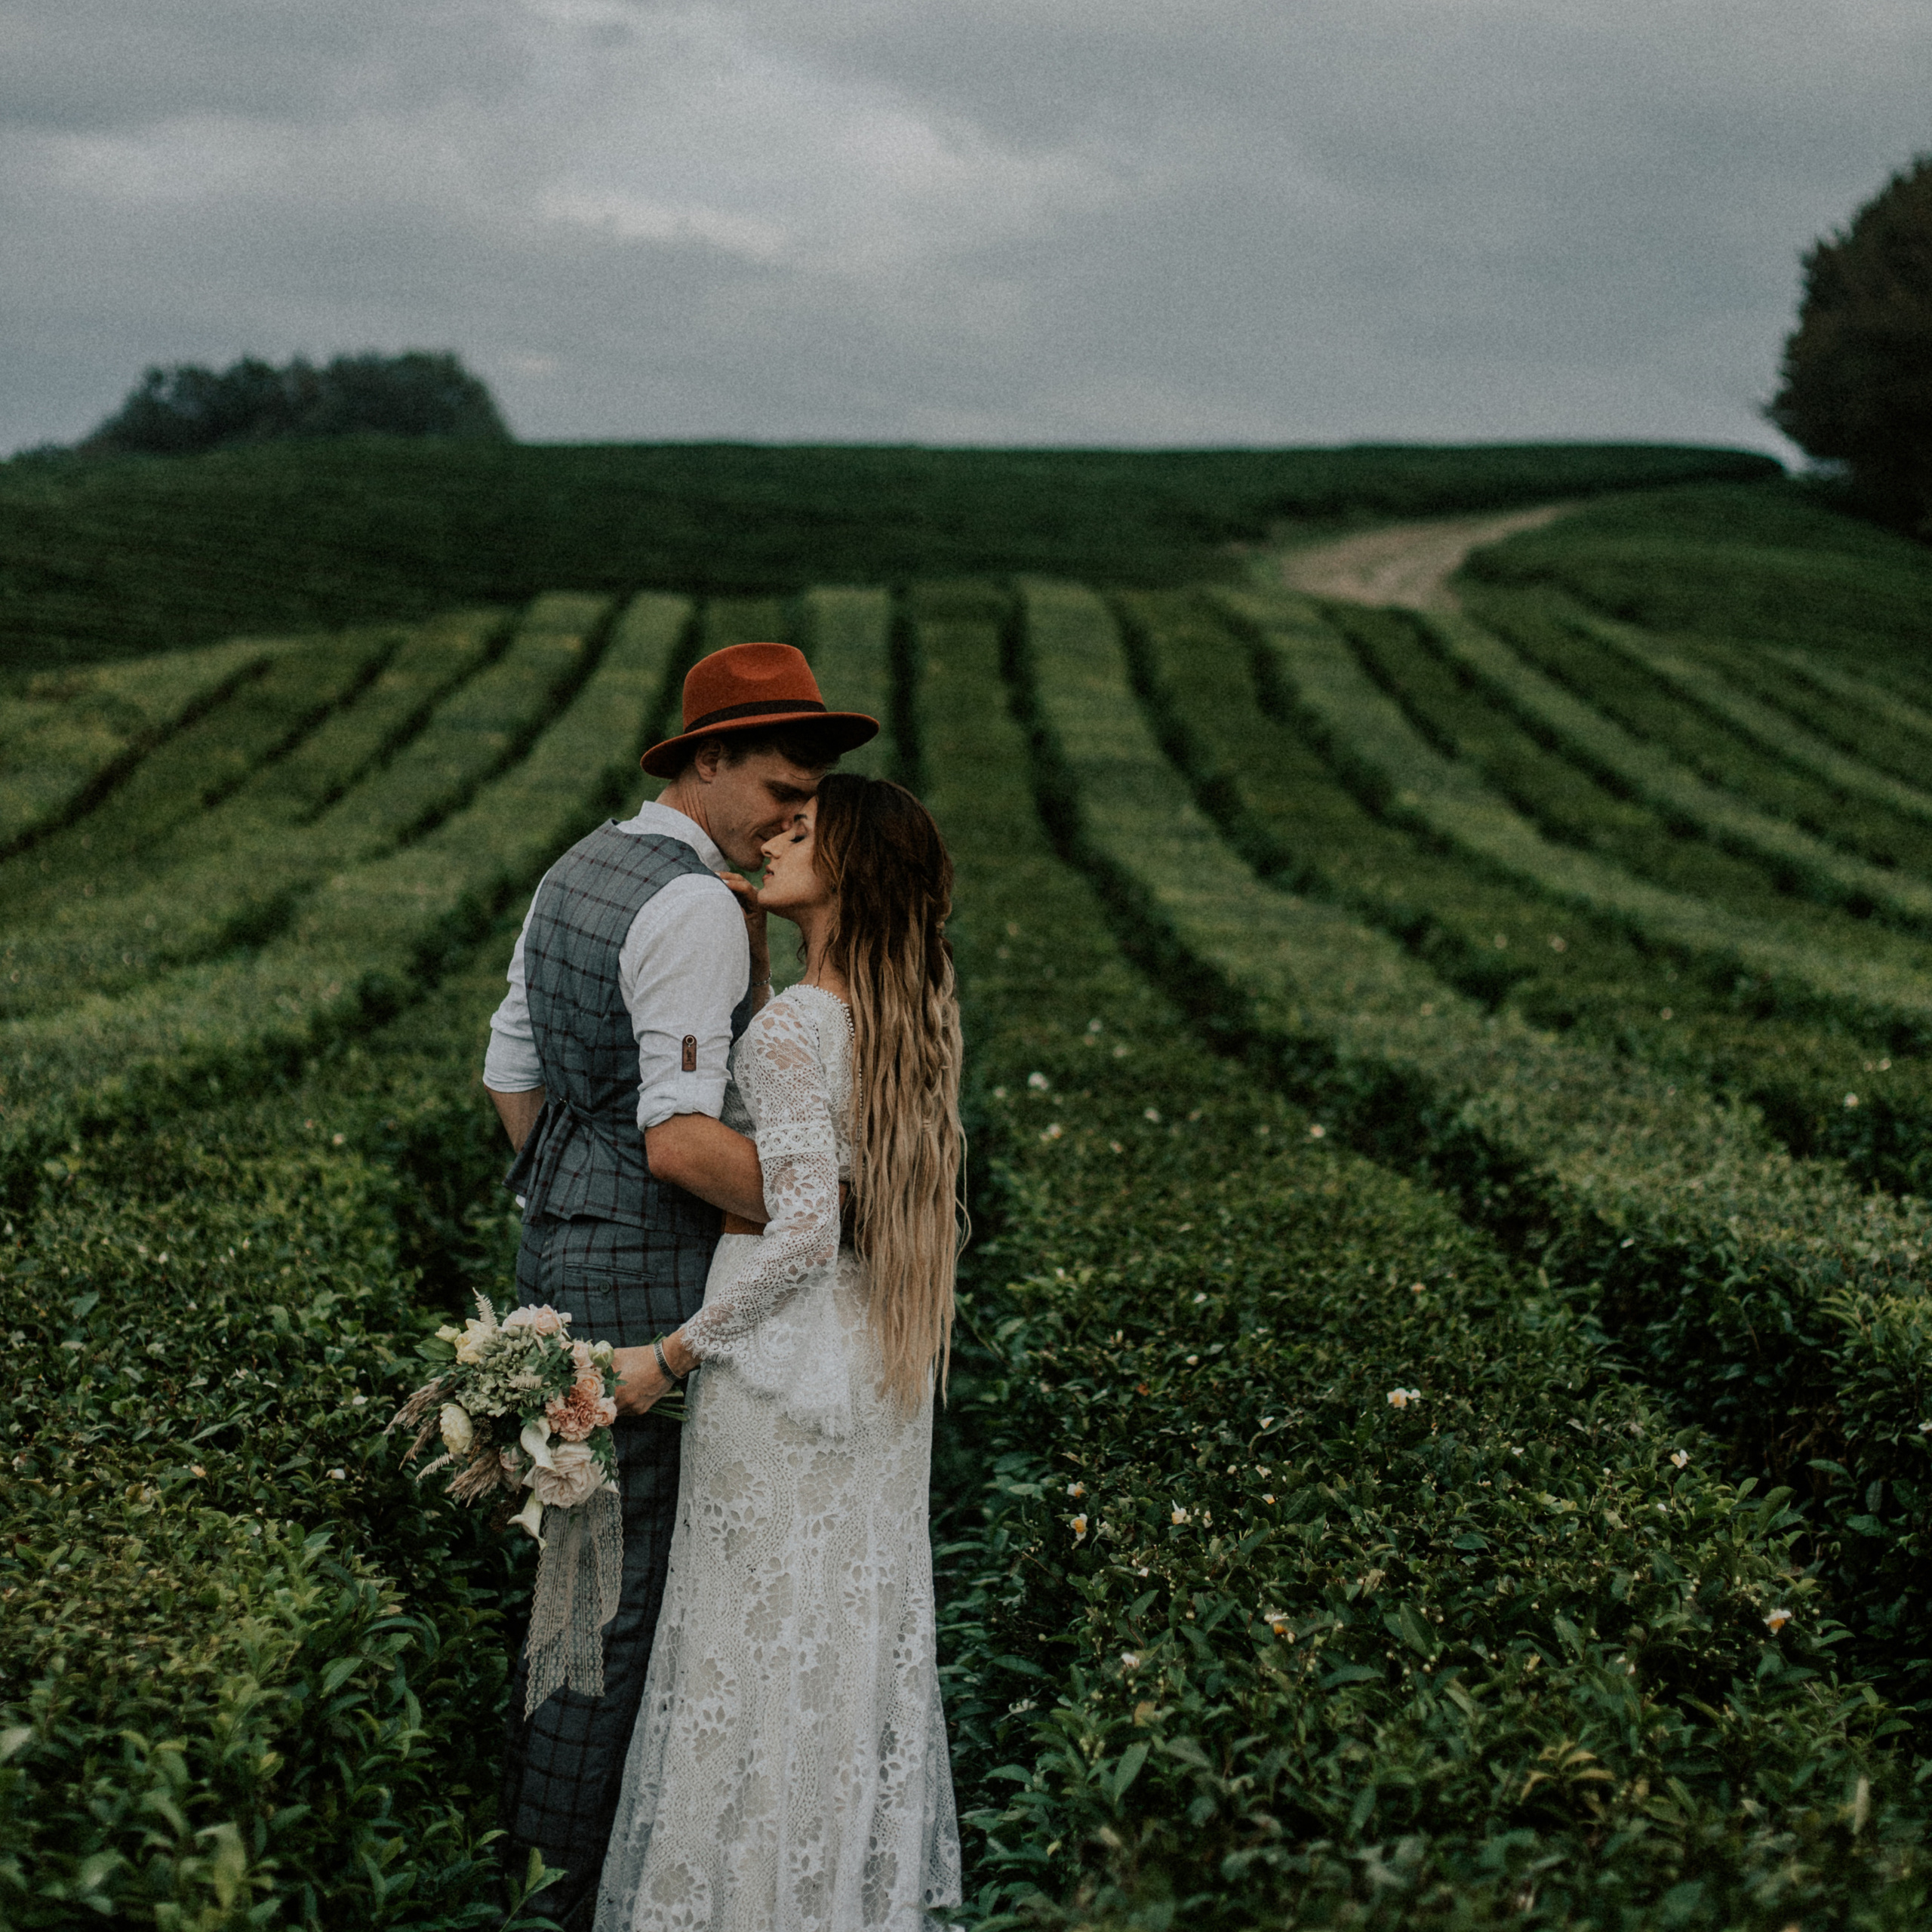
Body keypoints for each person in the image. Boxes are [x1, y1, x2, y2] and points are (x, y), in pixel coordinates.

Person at [483, 641, 878, 1930]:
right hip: (653, 1279)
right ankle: (580, 1898)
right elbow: (680, 1140)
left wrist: (571, 1201)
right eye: (777, 785)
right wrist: (846, 1212)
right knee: (626, 1603)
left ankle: (538, 1877)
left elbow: (510, 1080)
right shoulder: (701, 907)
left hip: (561, 1253)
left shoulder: (571, 872)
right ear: (706, 762)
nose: (790, 815)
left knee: (573, 1594)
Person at [593, 773, 965, 1932]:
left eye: (803, 833)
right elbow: (845, 1186)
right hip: (867, 1381)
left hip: (775, 1377)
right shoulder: (901, 1021)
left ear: (846, 870)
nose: (775, 839)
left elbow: (801, 1227)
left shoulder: (803, 1026)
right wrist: (760, 974)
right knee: (838, 1660)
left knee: (743, 1659)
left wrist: (671, 1355)